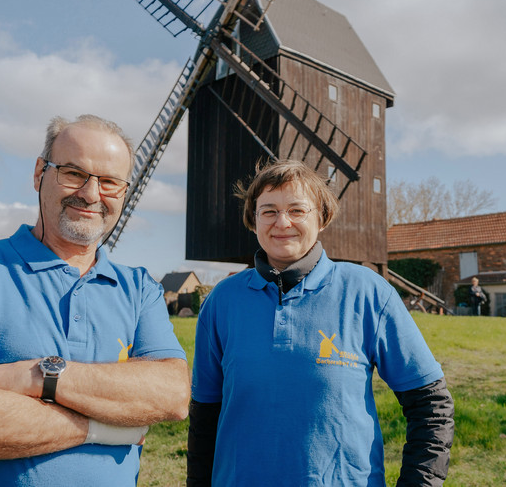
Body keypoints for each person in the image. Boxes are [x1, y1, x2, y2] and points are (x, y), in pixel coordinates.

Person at [0, 114, 190, 486]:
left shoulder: (139, 288)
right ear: (40, 173)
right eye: (72, 173)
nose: (90, 193)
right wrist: (104, 427)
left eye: (110, 182)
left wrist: (34, 376)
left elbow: (172, 394)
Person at [187, 160, 454, 486]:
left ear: (322, 218)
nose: (282, 222)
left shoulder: (367, 292)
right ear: (253, 220)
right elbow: (204, 418)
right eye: (268, 211)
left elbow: (431, 406)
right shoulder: (222, 301)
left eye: (297, 210)